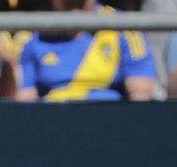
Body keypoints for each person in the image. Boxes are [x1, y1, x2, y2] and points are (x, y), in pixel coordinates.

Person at [15, 0, 155, 101]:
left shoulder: (123, 27)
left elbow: (141, 95)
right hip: (53, 124)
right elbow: (24, 102)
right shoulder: (30, 35)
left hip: (109, 121)